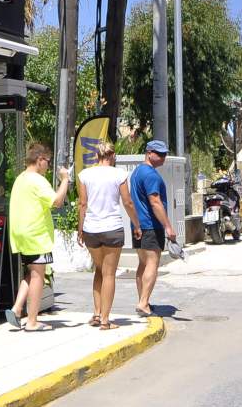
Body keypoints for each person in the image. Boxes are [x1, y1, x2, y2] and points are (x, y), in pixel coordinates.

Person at [7, 143, 71, 331]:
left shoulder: (20, 178)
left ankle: (17, 308)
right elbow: (57, 201)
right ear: (40, 159)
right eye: (48, 162)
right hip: (37, 234)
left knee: (31, 272)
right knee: (38, 277)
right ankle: (32, 321)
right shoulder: (38, 180)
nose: (48, 166)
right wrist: (65, 180)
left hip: (21, 234)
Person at [76, 142, 138, 329]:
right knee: (109, 273)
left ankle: (97, 313)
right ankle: (105, 320)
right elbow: (127, 202)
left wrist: (80, 229)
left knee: (99, 269)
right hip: (112, 228)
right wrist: (137, 224)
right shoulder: (119, 174)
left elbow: (82, 204)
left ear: (97, 156)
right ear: (113, 156)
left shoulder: (85, 175)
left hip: (91, 229)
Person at [130, 140, 179, 318]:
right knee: (152, 263)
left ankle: (142, 300)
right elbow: (155, 202)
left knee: (143, 264)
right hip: (151, 225)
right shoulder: (150, 175)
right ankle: (143, 303)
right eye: (159, 154)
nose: (163, 157)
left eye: (165, 154)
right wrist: (168, 227)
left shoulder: (137, 172)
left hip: (138, 226)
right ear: (149, 153)